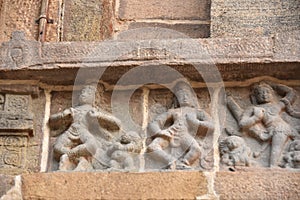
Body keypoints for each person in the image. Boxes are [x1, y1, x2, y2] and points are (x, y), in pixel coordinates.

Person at [49, 85, 122, 171]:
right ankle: (71, 155)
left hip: (83, 132)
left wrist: (99, 116)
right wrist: (63, 115)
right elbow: (51, 121)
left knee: (92, 145)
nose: (83, 94)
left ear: (95, 98)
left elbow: (117, 124)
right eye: (82, 92)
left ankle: (74, 153)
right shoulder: (73, 109)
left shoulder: (94, 110)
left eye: (88, 93)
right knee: (57, 147)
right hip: (71, 131)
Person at [146, 81, 214, 169]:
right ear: (176, 99)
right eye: (180, 95)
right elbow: (154, 123)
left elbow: (212, 125)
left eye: (187, 94)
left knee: (196, 150)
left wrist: (196, 123)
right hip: (171, 133)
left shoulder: (197, 112)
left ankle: (184, 163)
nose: (184, 97)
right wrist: (160, 132)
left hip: (184, 135)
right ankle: (169, 160)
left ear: (192, 97)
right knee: (152, 147)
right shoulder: (173, 111)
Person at [227, 82, 297, 167]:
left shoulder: (277, 106)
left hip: (285, 128)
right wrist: (255, 118)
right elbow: (242, 123)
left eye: (267, 92)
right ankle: (273, 166)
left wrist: (275, 86)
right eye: (260, 93)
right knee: (276, 147)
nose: (264, 95)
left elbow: (291, 93)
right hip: (275, 131)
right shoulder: (253, 109)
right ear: (255, 97)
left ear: (272, 94)